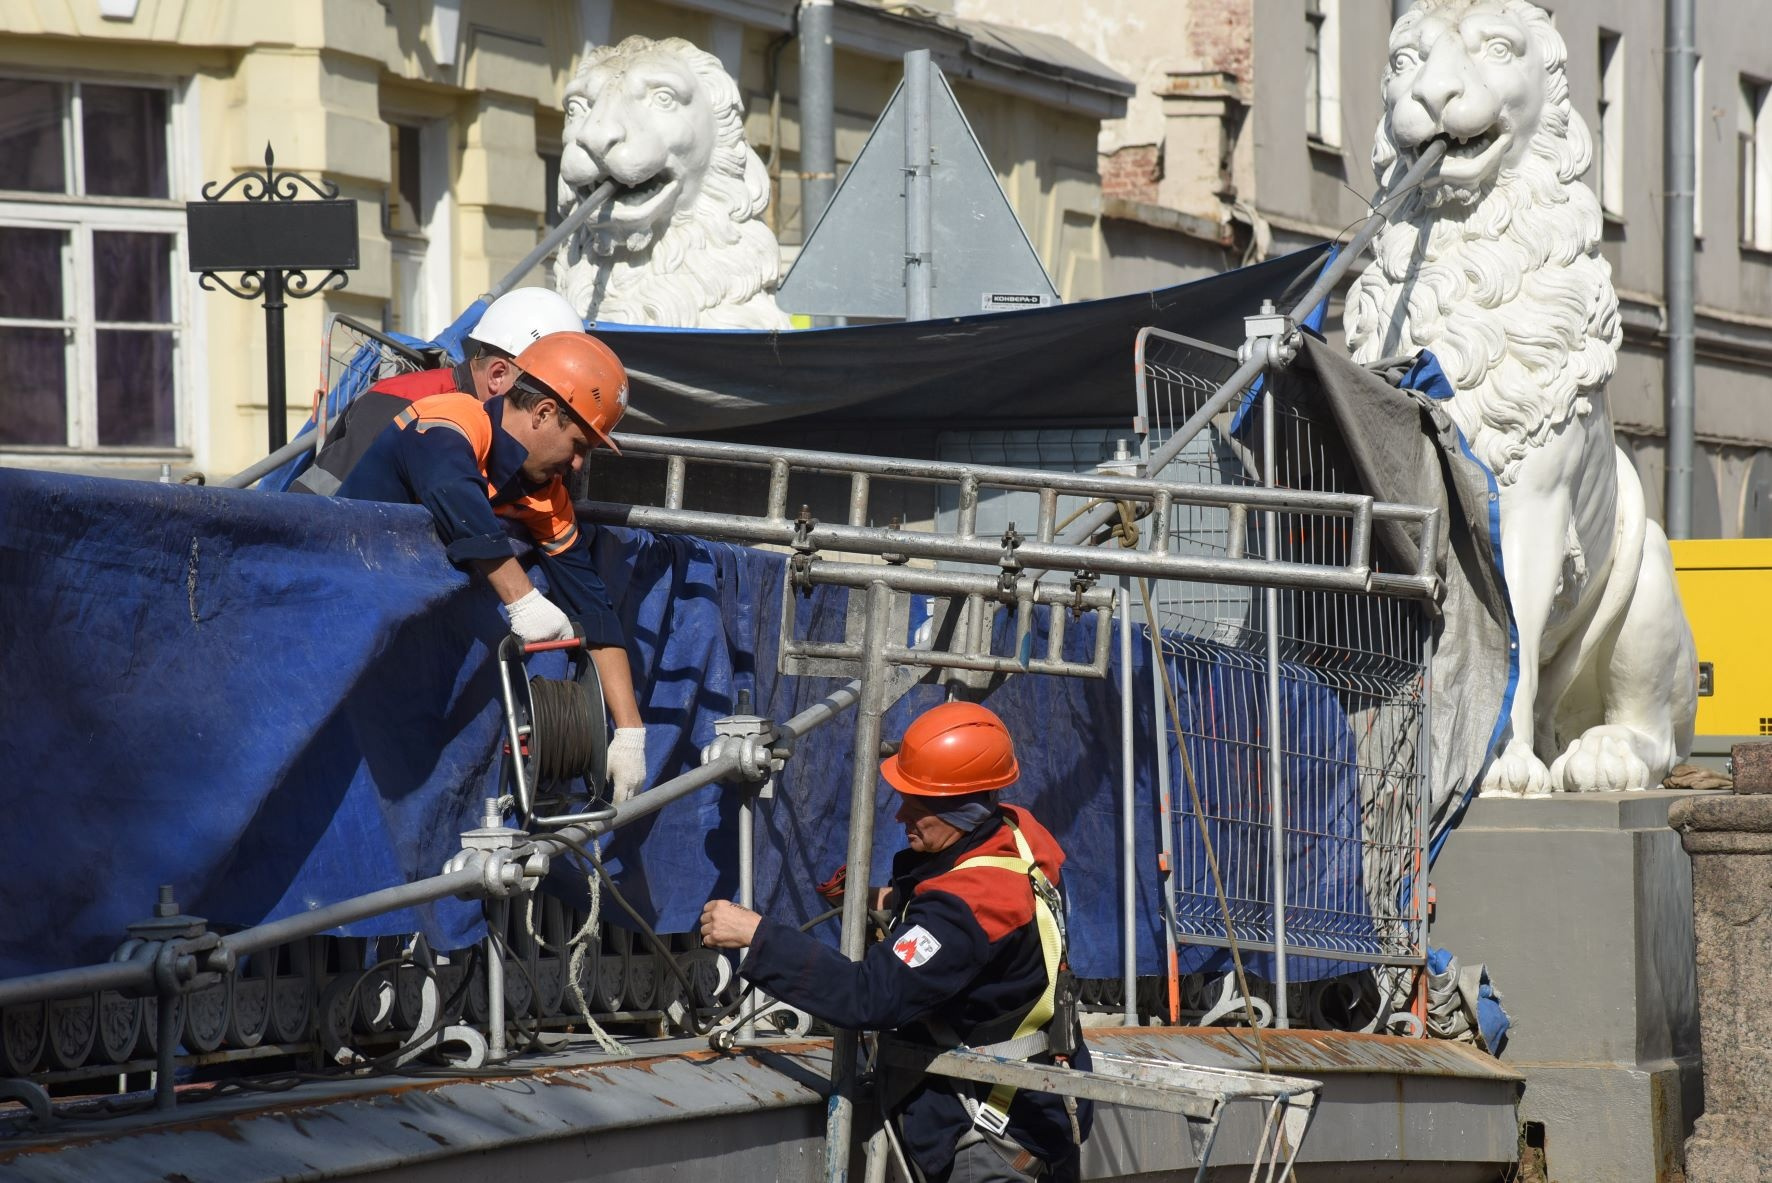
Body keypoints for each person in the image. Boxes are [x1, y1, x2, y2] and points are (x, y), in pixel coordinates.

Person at [700, 701, 1091, 1182]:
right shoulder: (1015, 834)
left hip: (991, 1141)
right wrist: (894, 899)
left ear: (962, 807)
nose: (901, 813)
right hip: (1042, 1113)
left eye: (919, 804)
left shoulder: (965, 912)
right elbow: (975, 905)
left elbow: (868, 995)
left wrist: (757, 938)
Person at [337, 330, 649, 802]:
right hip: (334, 643)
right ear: (544, 413)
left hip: (399, 682)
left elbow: (593, 607)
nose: (580, 465)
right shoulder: (451, 416)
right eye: (579, 443)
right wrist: (523, 600)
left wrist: (629, 732)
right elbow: (453, 491)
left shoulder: (547, 495)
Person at [292, 287, 585, 495]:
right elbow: (311, 512)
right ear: (498, 375)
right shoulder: (399, 403)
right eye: (545, 394)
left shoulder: (514, 434)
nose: (547, 412)